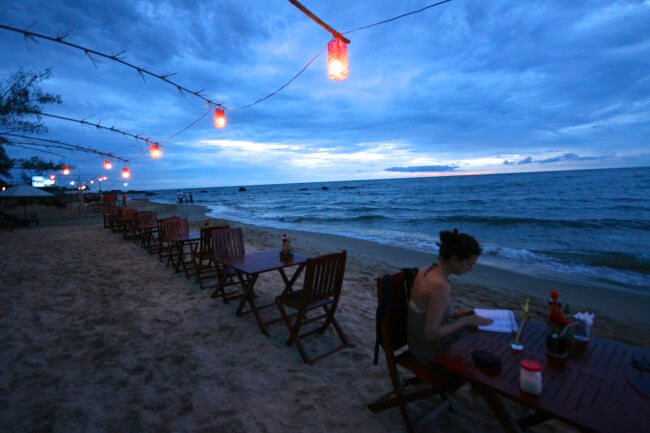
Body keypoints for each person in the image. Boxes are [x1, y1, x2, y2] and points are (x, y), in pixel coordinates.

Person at [407, 229, 493, 367]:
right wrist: (466, 320)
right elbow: (431, 334)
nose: (470, 269)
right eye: (469, 264)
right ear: (454, 259)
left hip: (416, 342)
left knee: (481, 336)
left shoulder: (425, 270)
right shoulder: (440, 286)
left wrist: (456, 314)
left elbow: (425, 311)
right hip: (430, 352)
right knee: (486, 347)